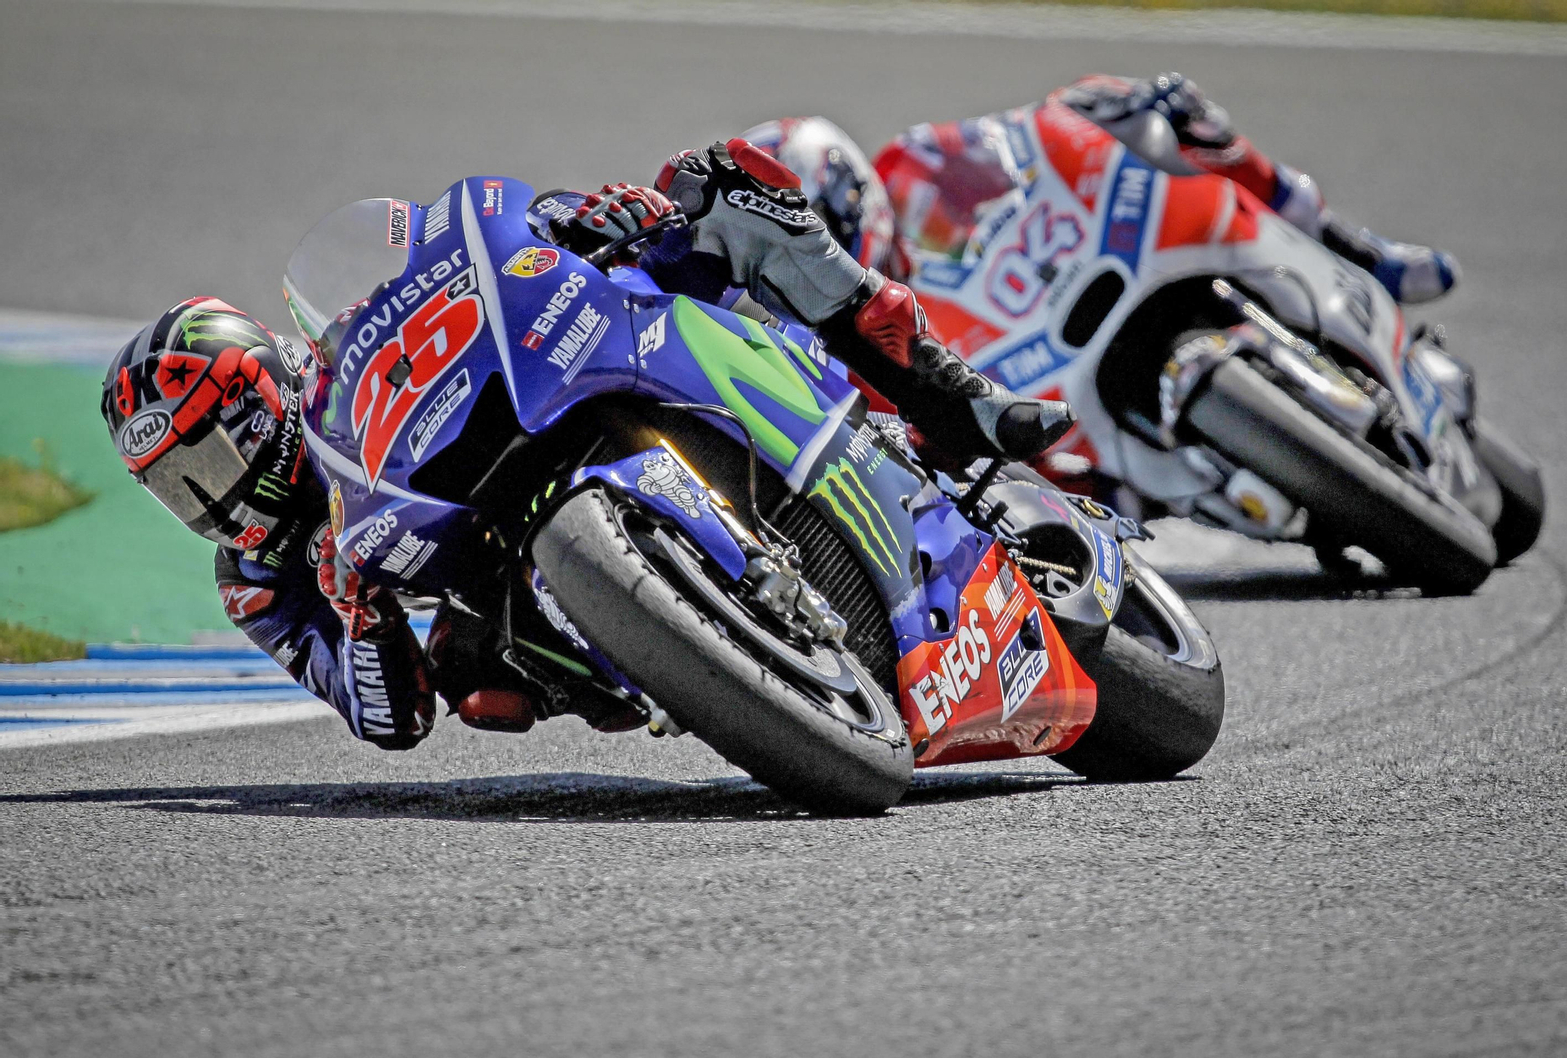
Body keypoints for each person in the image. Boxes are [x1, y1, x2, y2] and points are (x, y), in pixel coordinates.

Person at [100, 140, 1074, 749]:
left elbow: (476, 266)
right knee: (474, 675)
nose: (214, 501)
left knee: (719, 183)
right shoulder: (257, 581)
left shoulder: (347, 354)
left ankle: (955, 400)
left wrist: (573, 219)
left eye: (212, 460)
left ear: (262, 395)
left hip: (530, 404)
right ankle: (696, 658)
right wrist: (360, 618)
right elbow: (387, 720)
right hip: (497, 574)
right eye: (177, 487)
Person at [743, 74, 1460, 306]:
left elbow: (1019, 140)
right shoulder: (857, 333)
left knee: (1152, 102)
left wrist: (1096, 118)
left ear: (845, 189)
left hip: (1074, 258)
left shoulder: (915, 165)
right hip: (1049, 391)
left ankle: (1355, 250)